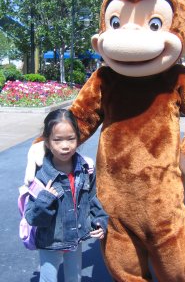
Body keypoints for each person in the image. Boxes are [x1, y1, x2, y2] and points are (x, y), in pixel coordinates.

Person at [24, 109, 108, 282]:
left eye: (71, 138)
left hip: (76, 238)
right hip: (50, 242)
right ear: (47, 142)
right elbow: (32, 218)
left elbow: (92, 199)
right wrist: (45, 200)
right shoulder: (41, 176)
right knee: (48, 279)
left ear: (78, 138)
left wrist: (100, 221)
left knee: (74, 278)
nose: (65, 145)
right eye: (57, 140)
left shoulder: (85, 169)